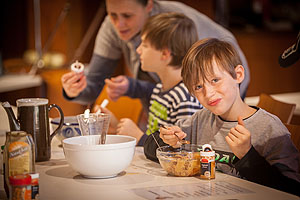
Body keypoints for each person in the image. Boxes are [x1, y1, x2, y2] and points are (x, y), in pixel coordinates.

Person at [153, 38, 300, 195]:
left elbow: (291, 189)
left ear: (238, 75)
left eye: (215, 80)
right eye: (198, 86)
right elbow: (151, 146)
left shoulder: (269, 129)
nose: (208, 93)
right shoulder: (200, 120)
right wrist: (167, 140)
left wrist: (247, 155)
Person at [61, 0, 250, 109]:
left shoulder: (177, 27)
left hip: (223, 78)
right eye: (113, 15)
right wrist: (74, 90)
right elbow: (92, 86)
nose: (118, 25)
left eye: (127, 16)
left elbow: (190, 96)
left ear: (149, 5)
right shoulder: (111, 28)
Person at [103, 12, 203, 146]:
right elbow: (155, 138)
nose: (138, 50)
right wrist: (117, 127)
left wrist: (139, 137)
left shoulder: (184, 98)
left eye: (144, 45)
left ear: (164, 53)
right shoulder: (160, 88)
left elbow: (183, 150)